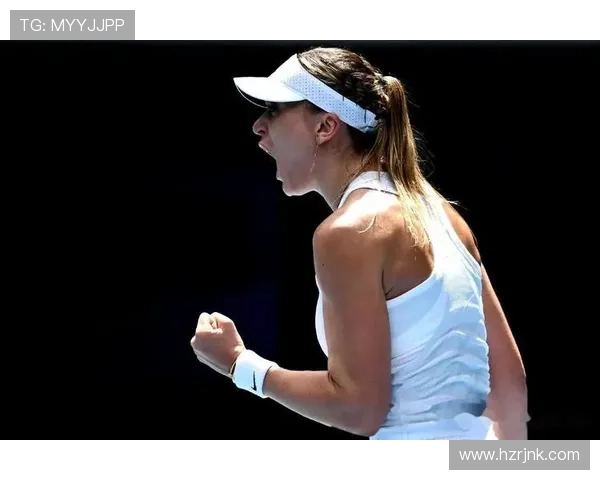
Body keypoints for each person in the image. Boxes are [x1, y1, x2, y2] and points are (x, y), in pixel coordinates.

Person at [190, 47, 529, 440]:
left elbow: (359, 408)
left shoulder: (349, 232)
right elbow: (510, 389)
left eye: (274, 109)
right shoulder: (447, 218)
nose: (258, 126)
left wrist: (239, 365)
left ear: (325, 126)